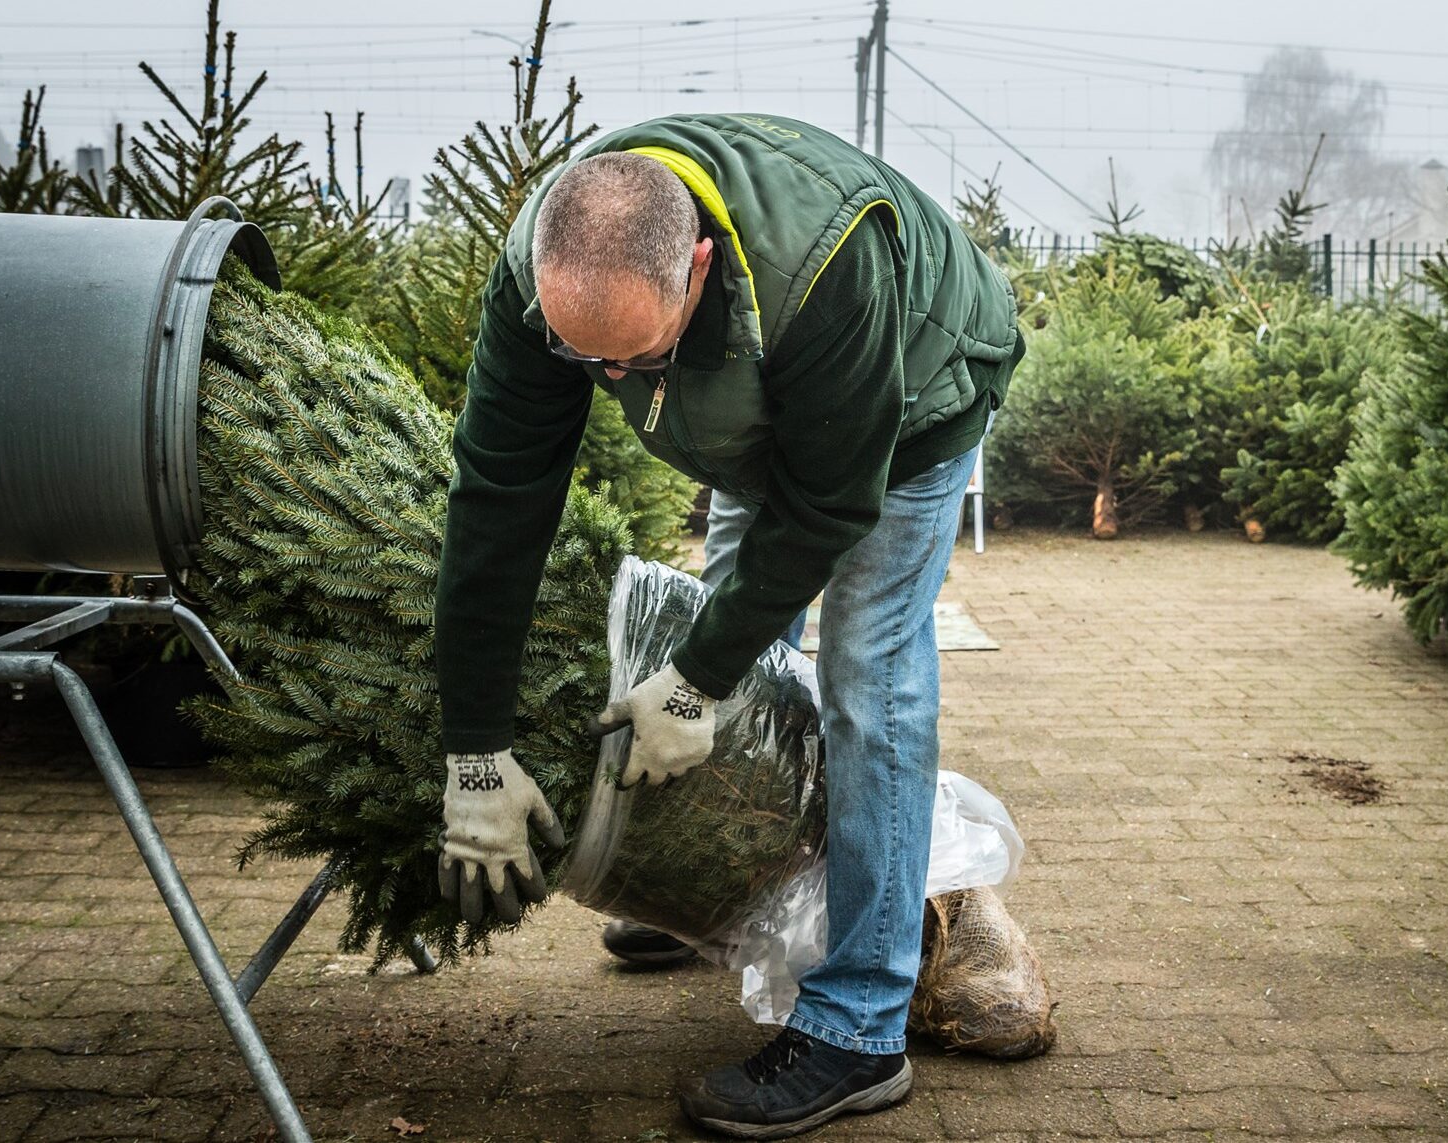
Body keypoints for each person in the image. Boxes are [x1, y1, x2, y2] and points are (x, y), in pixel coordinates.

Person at [432, 111, 1020, 1139]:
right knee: (736, 624)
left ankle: (858, 1028)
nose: (607, 381)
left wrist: (697, 679)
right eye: (583, 357)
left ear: (697, 267)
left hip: (907, 411)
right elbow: (498, 506)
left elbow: (828, 510)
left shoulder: (827, 267)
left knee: (864, 678)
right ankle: (726, 897)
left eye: (633, 356)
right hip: (757, 409)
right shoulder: (547, 274)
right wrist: (474, 748)